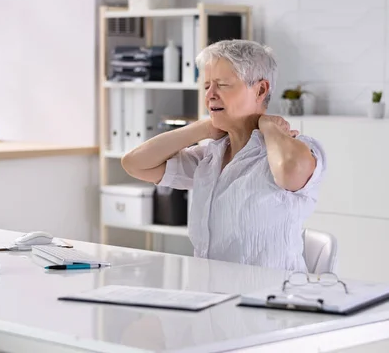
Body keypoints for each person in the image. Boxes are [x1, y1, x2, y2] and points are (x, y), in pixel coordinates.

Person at [121, 40, 326, 272]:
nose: (210, 95)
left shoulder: (299, 147)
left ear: (260, 90)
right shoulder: (209, 156)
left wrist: (268, 126)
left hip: (268, 299)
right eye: (206, 85)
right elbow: (135, 163)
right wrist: (203, 128)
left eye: (222, 84)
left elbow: (289, 171)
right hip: (210, 298)